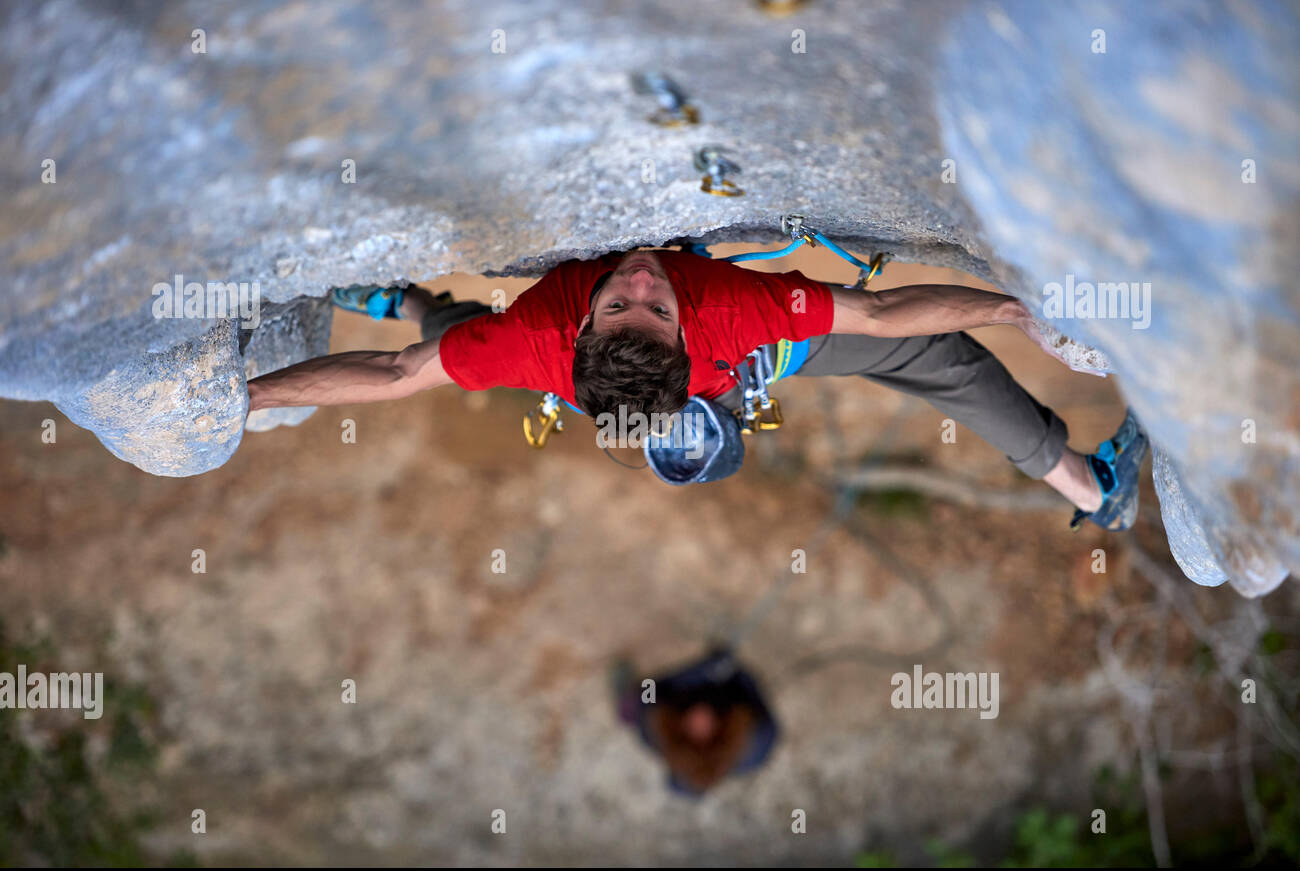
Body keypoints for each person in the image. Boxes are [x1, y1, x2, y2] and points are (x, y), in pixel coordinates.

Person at [247, 247, 1147, 530]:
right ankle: (1088, 486)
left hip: (611, 370)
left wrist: (250, 397)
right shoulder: (721, 313)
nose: (640, 276)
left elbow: (397, 374)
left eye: (636, 300)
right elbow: (877, 319)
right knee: (940, 357)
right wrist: (1006, 313)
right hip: (743, 366)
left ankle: (400, 296)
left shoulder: (539, 340)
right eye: (641, 300)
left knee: (450, 345)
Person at [612, 647, 778, 797]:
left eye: (691, 733)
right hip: (727, 692)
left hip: (681, 694)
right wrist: (728, 669)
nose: (699, 722)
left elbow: (652, 687)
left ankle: (626, 703)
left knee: (635, 703)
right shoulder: (757, 736)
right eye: (707, 734)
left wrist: (700, 672)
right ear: (723, 735)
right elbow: (747, 682)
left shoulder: (654, 733)